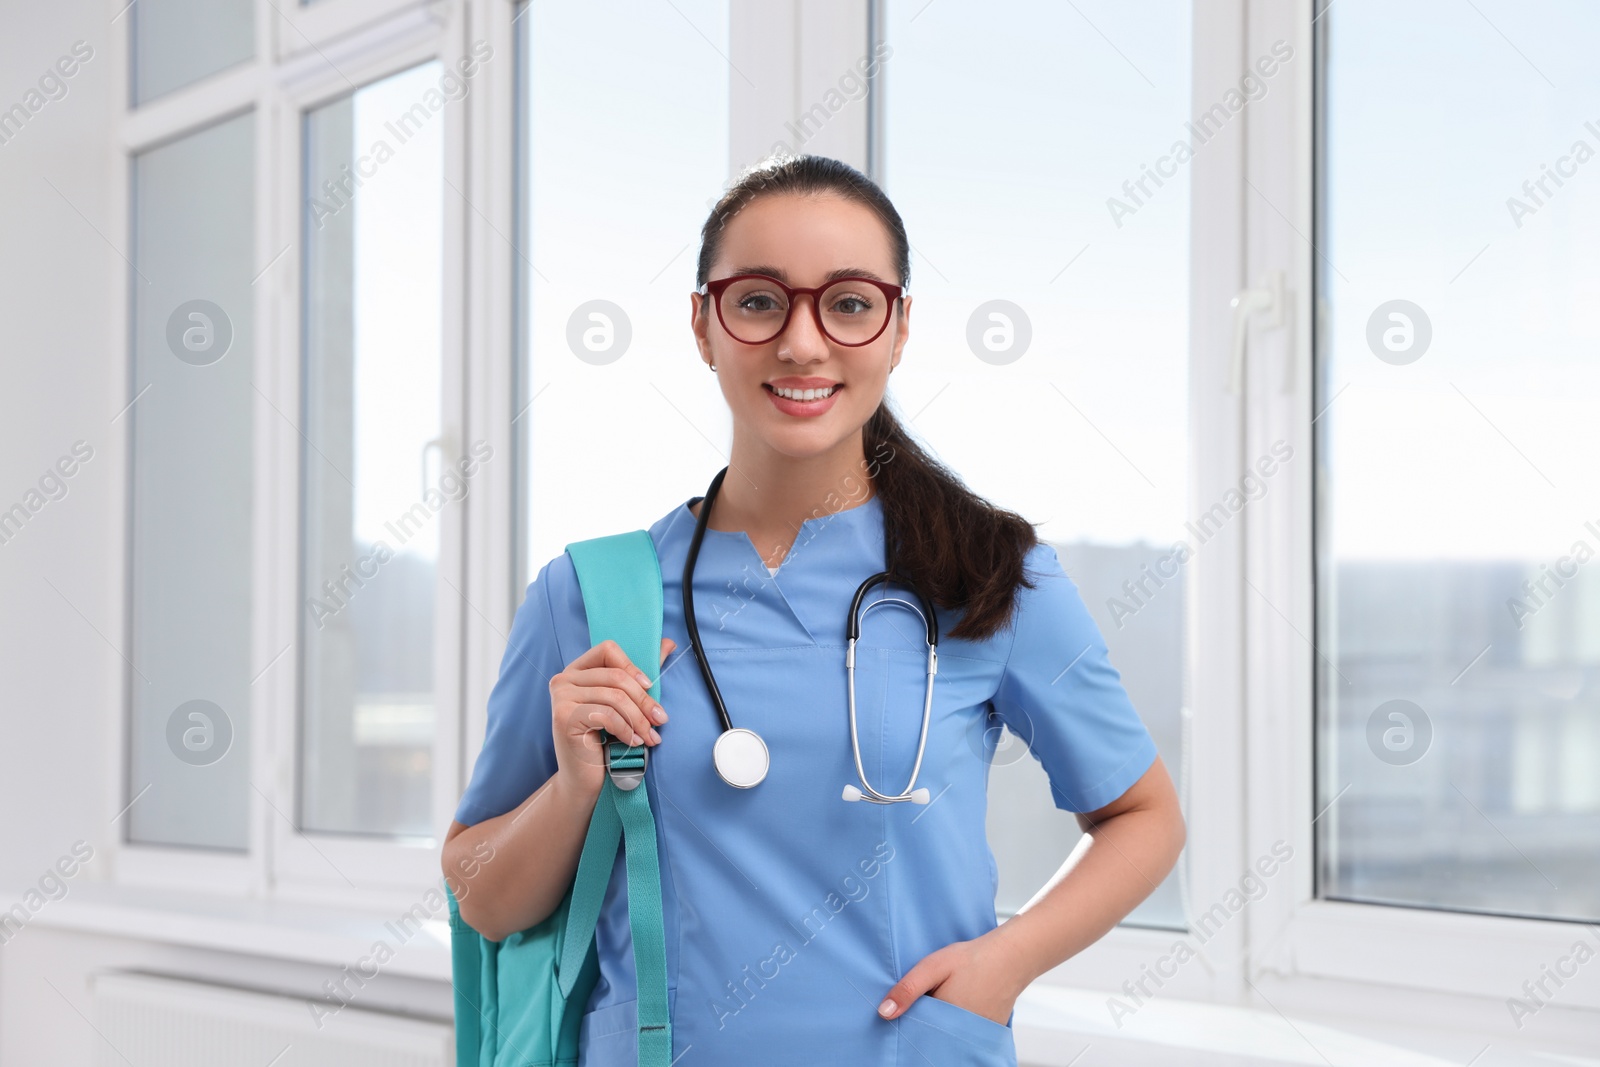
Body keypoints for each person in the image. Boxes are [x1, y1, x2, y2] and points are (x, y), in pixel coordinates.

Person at [441, 154, 1185, 1067]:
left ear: (899, 326)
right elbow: (482, 897)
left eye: (848, 302)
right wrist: (574, 788)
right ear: (703, 324)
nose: (802, 343)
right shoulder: (589, 594)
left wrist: (1004, 962)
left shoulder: (989, 574)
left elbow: (1144, 815)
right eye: (758, 301)